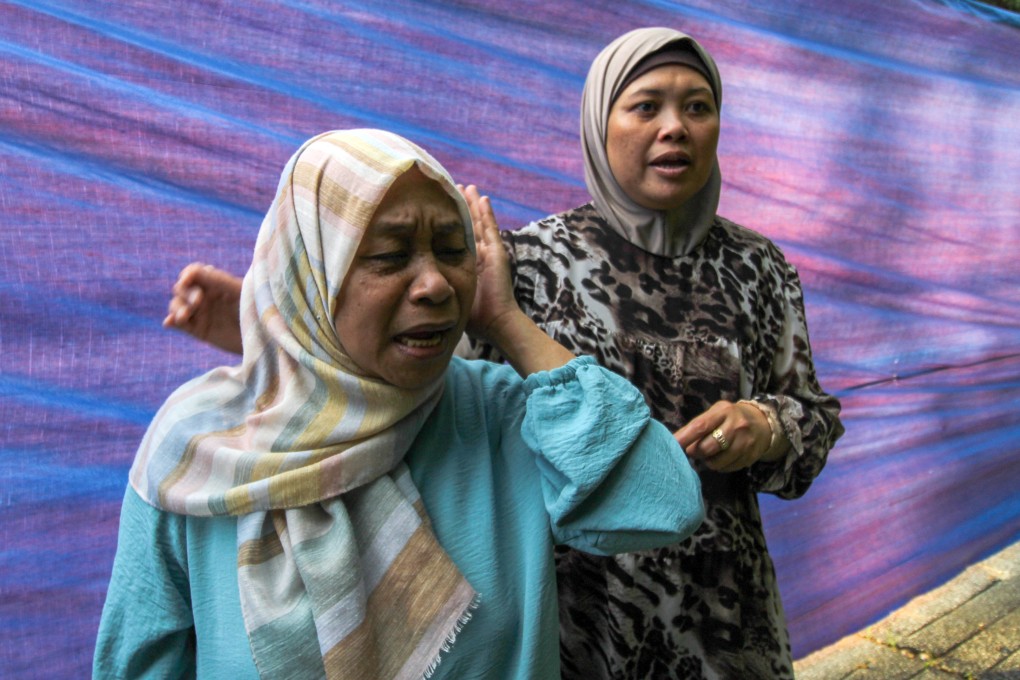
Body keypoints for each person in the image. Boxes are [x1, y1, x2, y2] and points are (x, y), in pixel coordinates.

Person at [163, 27, 844, 680]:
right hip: (579, 617)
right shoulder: (525, 264)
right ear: (597, 125)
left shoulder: (758, 269)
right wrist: (270, 324)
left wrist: (768, 426)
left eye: (698, 107)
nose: (676, 128)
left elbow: (813, 418)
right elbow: (407, 377)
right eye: (646, 107)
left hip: (723, 617)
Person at [94, 128, 705, 679]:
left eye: (453, 249)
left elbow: (664, 503)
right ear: (311, 276)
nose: (436, 284)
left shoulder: (496, 414)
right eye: (389, 255)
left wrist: (506, 321)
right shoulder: (198, 449)